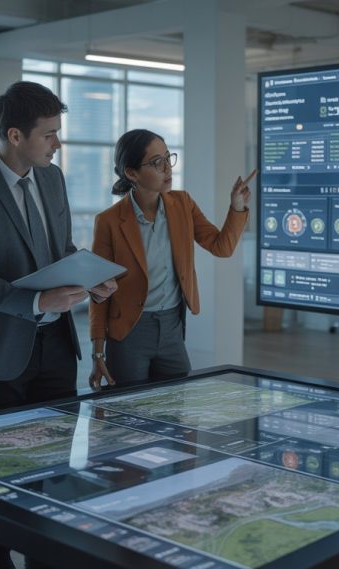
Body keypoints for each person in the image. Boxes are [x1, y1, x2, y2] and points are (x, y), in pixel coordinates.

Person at [0, 81, 115, 569]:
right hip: (0, 348)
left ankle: (46, 552)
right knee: (0, 462)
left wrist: (91, 277)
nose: (57, 144)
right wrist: (38, 301)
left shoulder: (52, 178)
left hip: (56, 341)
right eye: (49, 135)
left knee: (54, 453)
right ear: (15, 135)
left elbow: (61, 248)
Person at [88, 129, 253, 388]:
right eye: (157, 162)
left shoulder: (182, 204)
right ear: (132, 173)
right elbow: (98, 293)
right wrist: (98, 353)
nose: (168, 168)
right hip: (129, 332)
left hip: (172, 327)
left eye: (168, 158)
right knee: (130, 408)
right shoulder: (108, 221)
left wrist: (237, 207)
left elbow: (221, 247)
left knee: (177, 404)